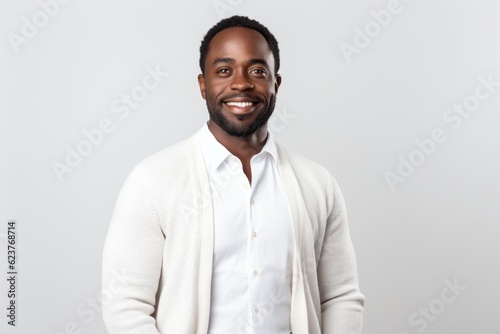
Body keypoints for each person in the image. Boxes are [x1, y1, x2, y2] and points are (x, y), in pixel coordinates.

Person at [102, 15, 365, 334]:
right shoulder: (153, 180)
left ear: (275, 84)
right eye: (224, 70)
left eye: (257, 70)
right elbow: (125, 305)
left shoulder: (317, 184)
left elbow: (340, 297)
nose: (241, 83)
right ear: (203, 85)